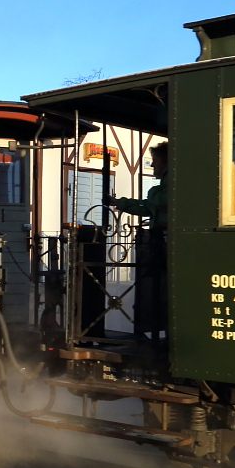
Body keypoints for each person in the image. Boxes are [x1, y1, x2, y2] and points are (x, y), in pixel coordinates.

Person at [105, 143, 168, 338]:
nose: (153, 166)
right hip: (159, 243)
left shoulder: (169, 185)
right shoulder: (167, 184)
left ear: (166, 162)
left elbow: (155, 202)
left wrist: (149, 195)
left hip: (163, 243)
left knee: (158, 290)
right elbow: (147, 208)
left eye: (155, 161)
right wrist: (119, 203)